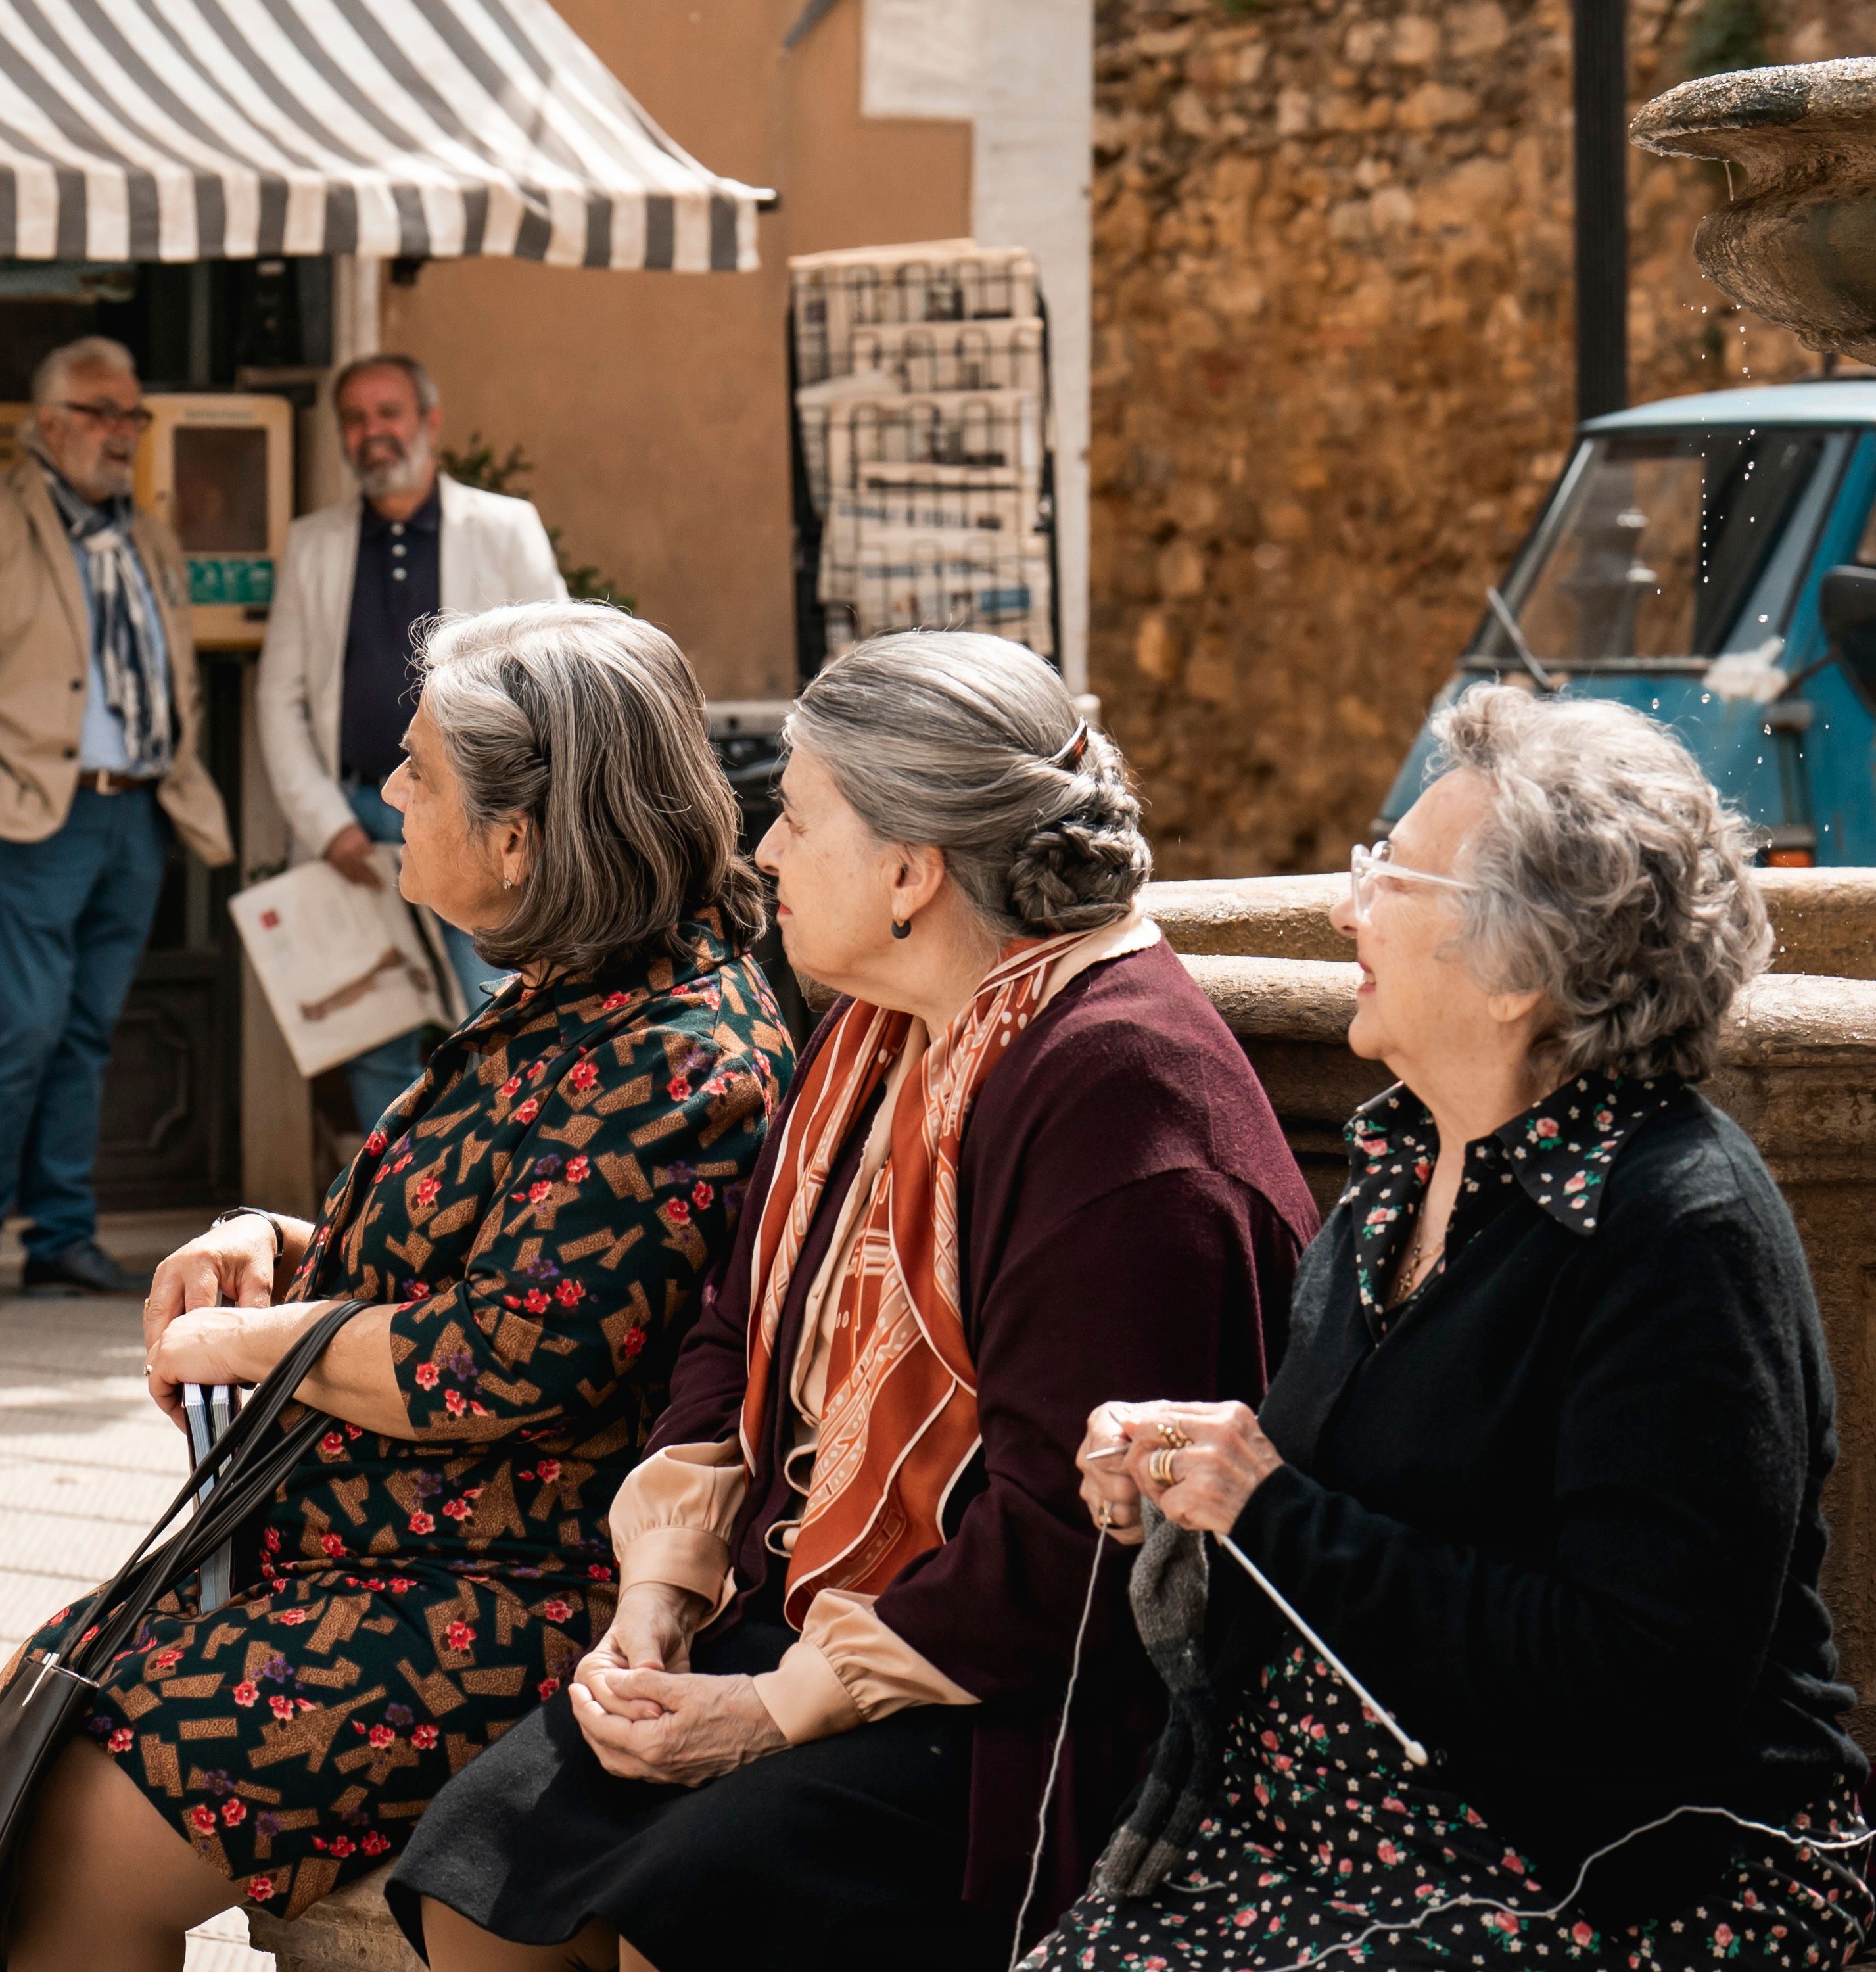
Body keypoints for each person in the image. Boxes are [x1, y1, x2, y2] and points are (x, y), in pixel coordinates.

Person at [394, 629, 1317, 1971]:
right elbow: (736, 1329)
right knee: (482, 1865)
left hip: (1028, 1698)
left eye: (797, 813)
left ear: (910, 871)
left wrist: (778, 1708)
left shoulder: (1120, 1092)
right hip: (815, 1607)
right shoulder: (878, 1029)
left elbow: (1071, 1546)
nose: (763, 849)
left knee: (701, 1898)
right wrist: (662, 1589)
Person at [0, 601, 792, 1969]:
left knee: (67, 1816)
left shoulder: (676, 1057)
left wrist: (260, 1338)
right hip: (382, 1547)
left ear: (521, 835)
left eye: (417, 767)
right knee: (27, 1716)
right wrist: (272, 1238)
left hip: (526, 1590)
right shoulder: (566, 991)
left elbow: (499, 1357)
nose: (390, 793)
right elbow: (473, 1233)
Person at [1033, 686, 1873, 1969]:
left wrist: (1271, 1511)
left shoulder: (1679, 1231)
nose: (1343, 905)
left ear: (1520, 973)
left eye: (1392, 879)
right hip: (1324, 1840)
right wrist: (1184, 1484)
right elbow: (1351, 1505)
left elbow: (1636, 1677)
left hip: (1610, 1878)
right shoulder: (1405, 1161)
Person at [0, 335, 235, 1311]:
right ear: (47, 423)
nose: (121, 433)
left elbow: (177, 675)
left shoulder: (148, 535)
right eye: (101, 412)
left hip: (135, 815)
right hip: (31, 819)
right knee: (26, 1026)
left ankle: (62, 1237)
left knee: (85, 1033)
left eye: (132, 415)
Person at [254, 353, 566, 1125]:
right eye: (355, 420)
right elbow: (279, 699)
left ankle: (493, 1192)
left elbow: (561, 669)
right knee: (374, 1032)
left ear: (428, 423)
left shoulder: (503, 527)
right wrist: (327, 826)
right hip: (357, 822)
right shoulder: (314, 544)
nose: (373, 434)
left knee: (497, 1008)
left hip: (477, 817)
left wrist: (517, 808)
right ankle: (382, 1220)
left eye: (388, 413)